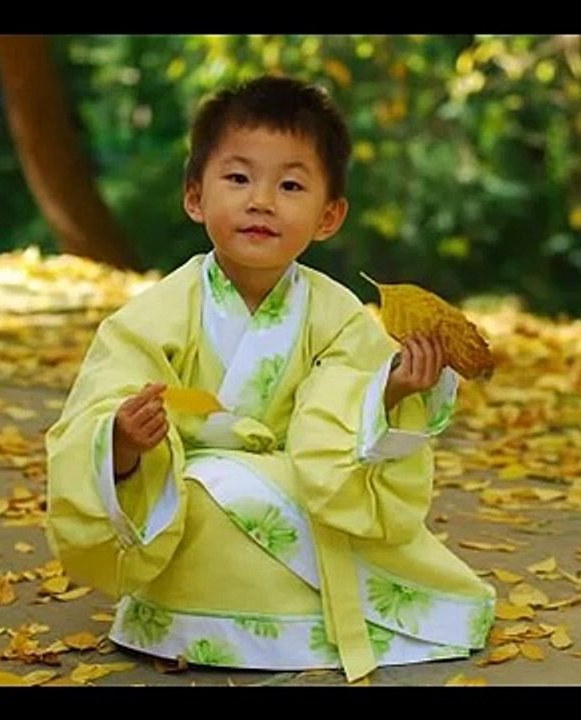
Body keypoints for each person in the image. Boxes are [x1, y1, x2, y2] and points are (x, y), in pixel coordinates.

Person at [45, 75, 495, 682]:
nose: (261, 200)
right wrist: (123, 444)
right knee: (208, 491)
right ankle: (195, 622)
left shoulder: (337, 315)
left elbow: (345, 415)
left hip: (304, 493)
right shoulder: (156, 313)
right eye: (237, 178)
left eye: (290, 185)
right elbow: (105, 399)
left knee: (310, 507)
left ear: (329, 215)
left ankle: (302, 622)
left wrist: (388, 394)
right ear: (195, 197)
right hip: (194, 505)